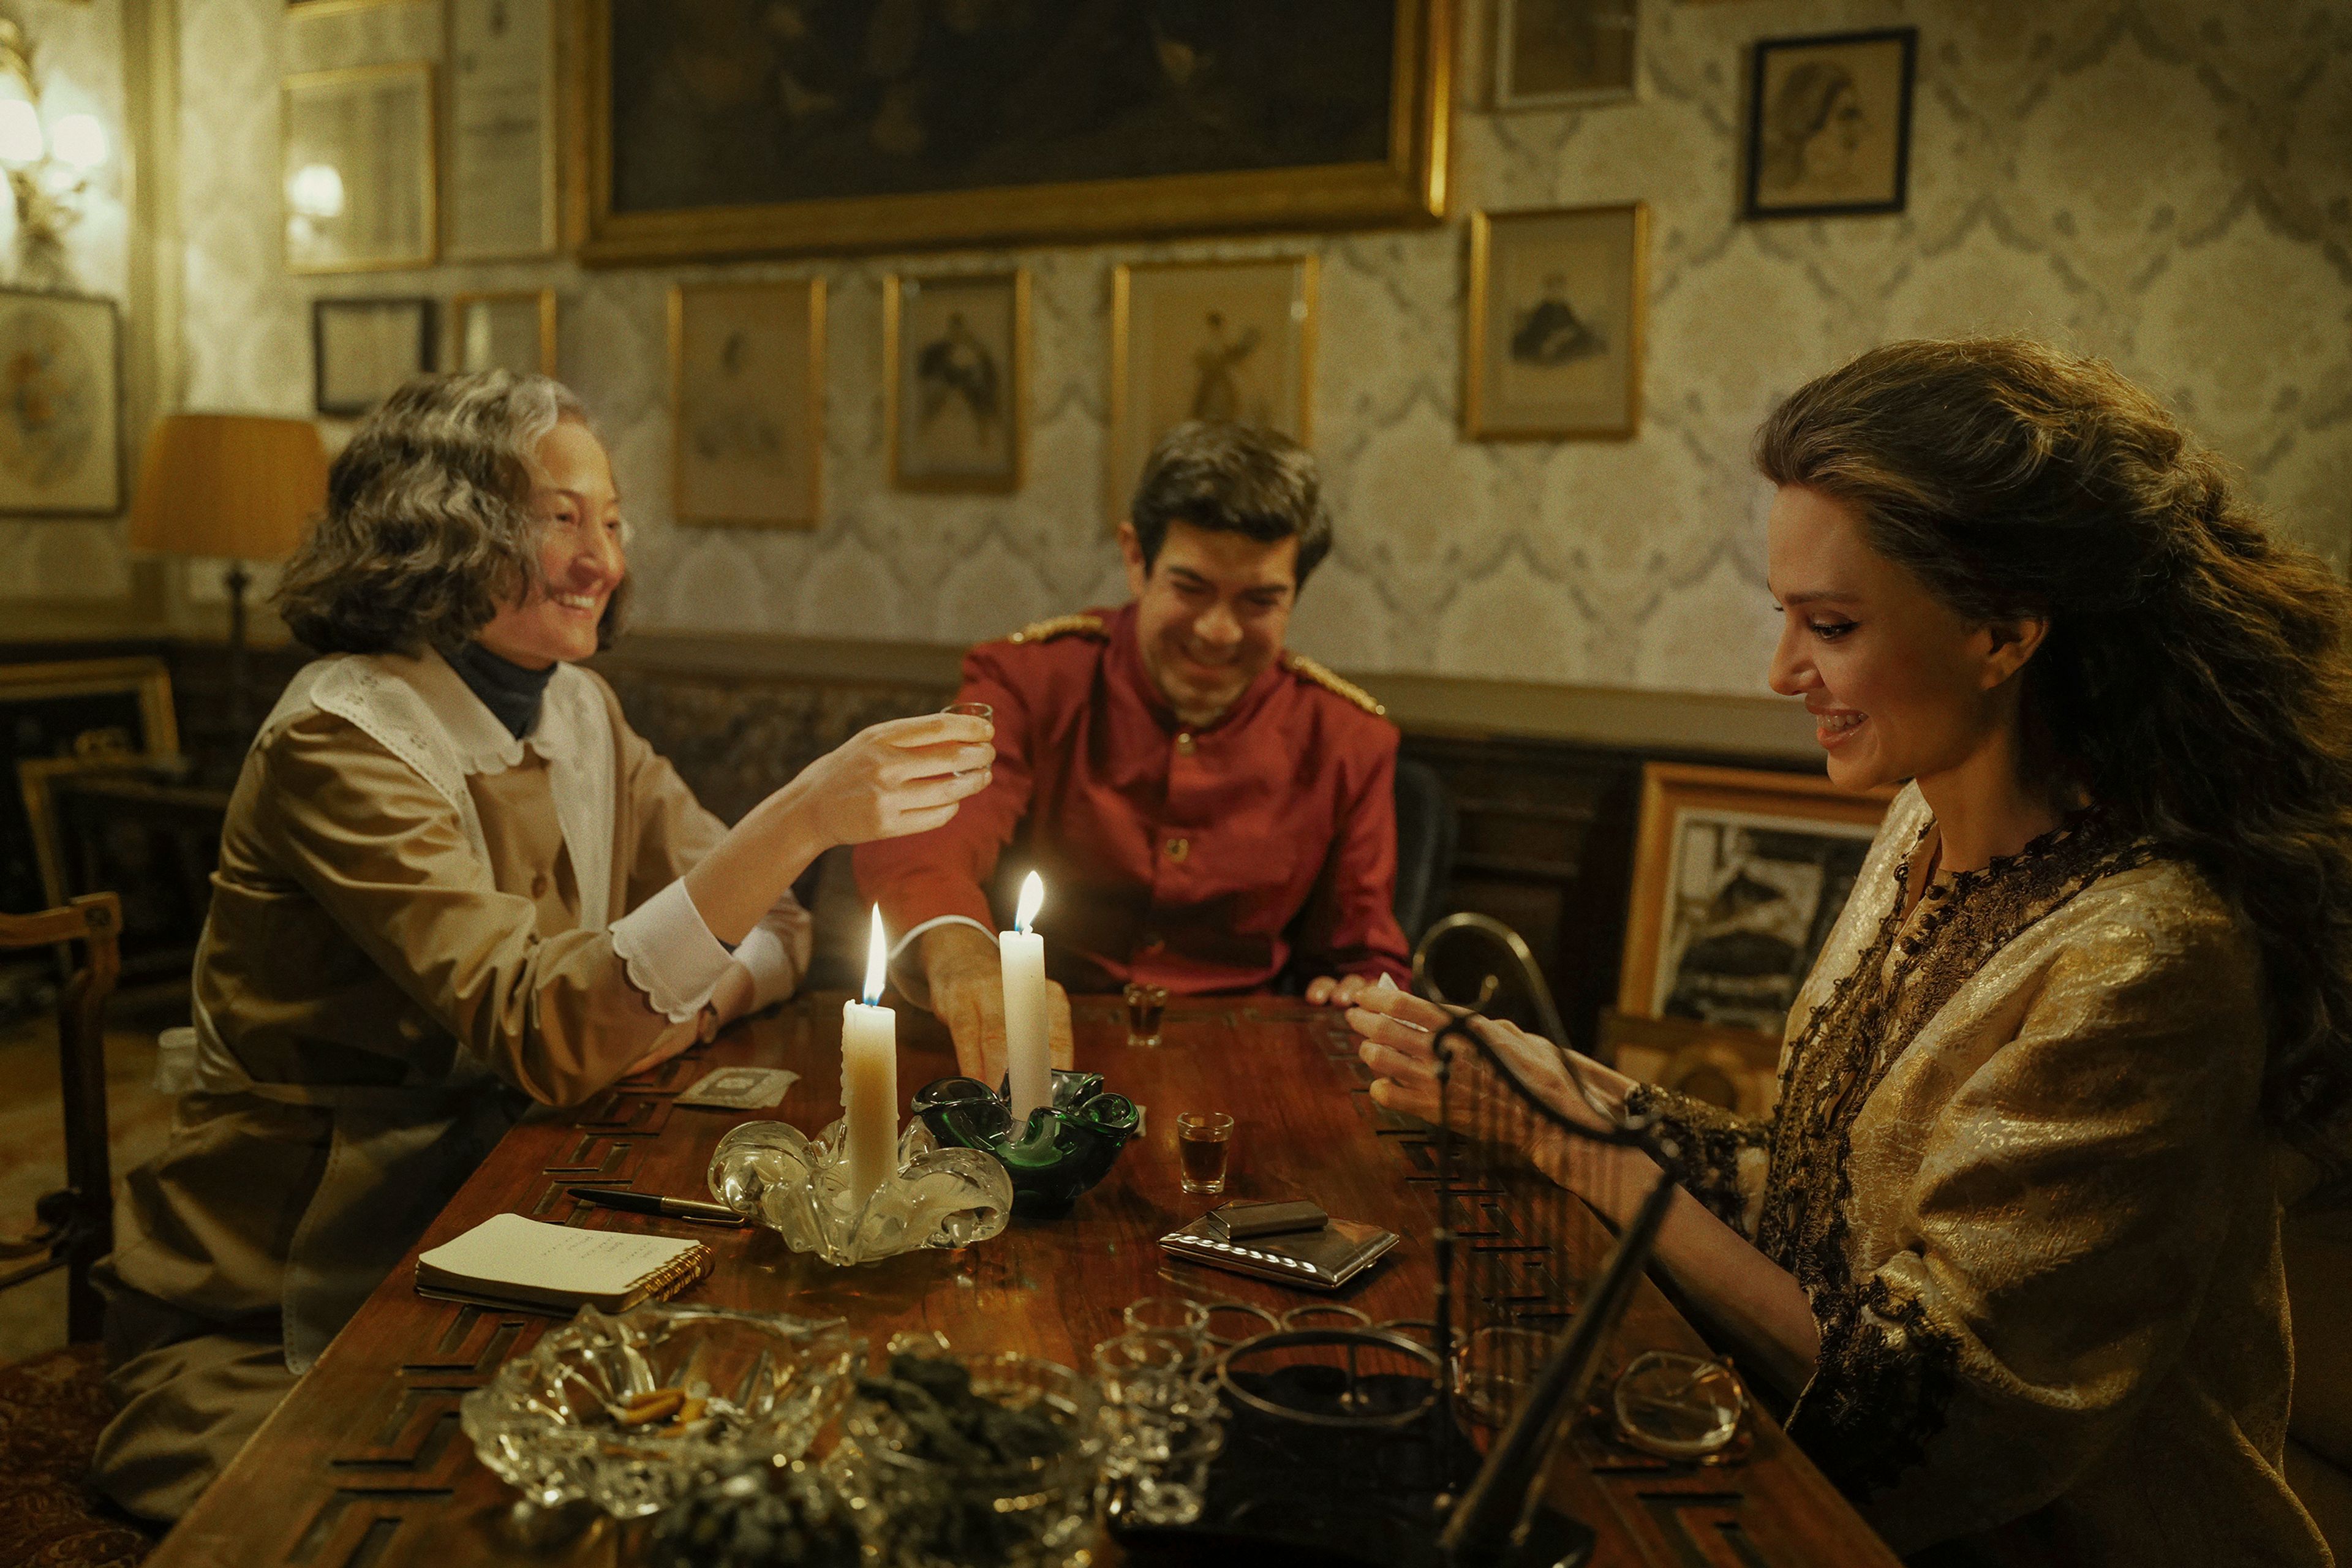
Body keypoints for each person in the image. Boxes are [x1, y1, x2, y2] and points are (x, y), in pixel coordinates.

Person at [1348, 337, 2352, 1565]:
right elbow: (1828, 1203)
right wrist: (1558, 1084)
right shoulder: (1919, 816)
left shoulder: (2148, 957)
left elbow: (1930, 1408)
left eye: (1830, 623)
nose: (1783, 671)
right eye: (1787, 616)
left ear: (2005, 629)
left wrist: (1577, 1146)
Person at [89, 372, 995, 1522]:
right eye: (558, 519)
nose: (600, 560)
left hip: (505, 1220)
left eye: (611, 523)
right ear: (438, 523)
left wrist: (663, 1005)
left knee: (734, 1449)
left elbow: (778, 925)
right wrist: (805, 814)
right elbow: (553, 1035)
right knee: (496, 1519)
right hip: (292, 1293)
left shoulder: (577, 708)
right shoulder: (342, 740)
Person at [856, 420, 1411, 1087]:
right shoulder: (1031, 681)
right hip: (1033, 1055)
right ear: (1135, 558)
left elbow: (1363, 954)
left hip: (1242, 1073)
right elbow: (925, 840)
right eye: (1191, 588)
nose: (1218, 630)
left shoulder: (1347, 736)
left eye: (1260, 601)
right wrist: (960, 957)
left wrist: (1355, 993)